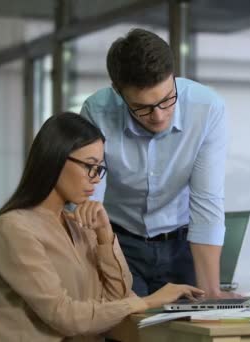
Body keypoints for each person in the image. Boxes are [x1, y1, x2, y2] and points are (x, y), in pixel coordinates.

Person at [0, 112, 203, 341]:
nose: (96, 179)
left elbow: (118, 298)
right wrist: (148, 301)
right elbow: (64, 316)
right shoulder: (15, 228)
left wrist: (105, 235)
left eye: (99, 168)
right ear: (54, 159)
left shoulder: (79, 223)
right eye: (89, 166)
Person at [80, 28, 232, 298]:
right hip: (120, 241)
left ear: (173, 76)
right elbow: (90, 201)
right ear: (118, 92)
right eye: (142, 107)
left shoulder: (207, 108)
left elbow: (206, 201)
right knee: (128, 330)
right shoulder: (97, 112)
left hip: (182, 242)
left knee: (188, 331)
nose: (159, 117)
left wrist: (211, 292)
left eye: (166, 100)